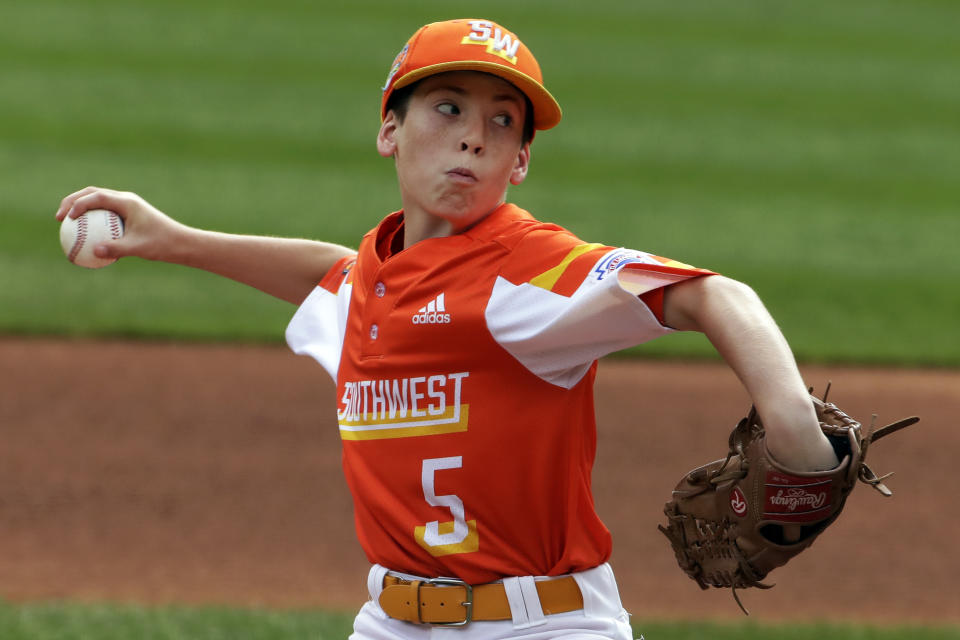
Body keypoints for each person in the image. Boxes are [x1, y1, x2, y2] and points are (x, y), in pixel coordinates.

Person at [56, 18, 839, 640]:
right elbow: (335, 276)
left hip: (545, 625)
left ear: (520, 163)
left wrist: (795, 430)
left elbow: (716, 296)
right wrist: (170, 239)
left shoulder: (526, 271)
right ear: (390, 131)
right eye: (449, 107)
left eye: (504, 122)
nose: (475, 135)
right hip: (389, 622)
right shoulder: (373, 282)